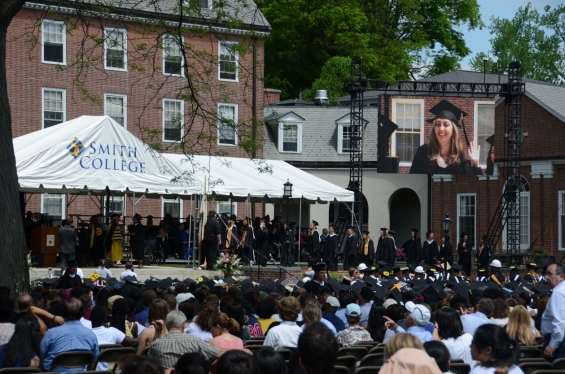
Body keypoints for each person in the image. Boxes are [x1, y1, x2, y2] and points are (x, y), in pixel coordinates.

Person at [409, 103, 483, 175]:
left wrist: (476, 165)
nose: (441, 128)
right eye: (438, 124)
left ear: (453, 130)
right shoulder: (423, 153)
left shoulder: (462, 162)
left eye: (446, 125)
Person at [40, 298, 99, 374]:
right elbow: (94, 360)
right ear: (82, 313)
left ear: (64, 313)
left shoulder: (51, 333)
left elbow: (41, 355)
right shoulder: (91, 335)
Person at [148, 310, 222, 370]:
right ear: (183, 325)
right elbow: (218, 353)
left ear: (166, 325)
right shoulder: (195, 342)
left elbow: (150, 357)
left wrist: (158, 331)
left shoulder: (156, 344)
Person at [90, 306, 138, 371]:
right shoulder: (113, 331)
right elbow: (133, 342)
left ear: (90, 319)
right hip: (110, 371)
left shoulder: (86, 335)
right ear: (105, 319)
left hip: (90, 371)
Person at [541, 263, 565, 360]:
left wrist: (552, 345)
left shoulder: (558, 292)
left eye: (550, 274)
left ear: (561, 276)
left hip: (559, 343)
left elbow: (560, 321)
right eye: (546, 274)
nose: (546, 277)